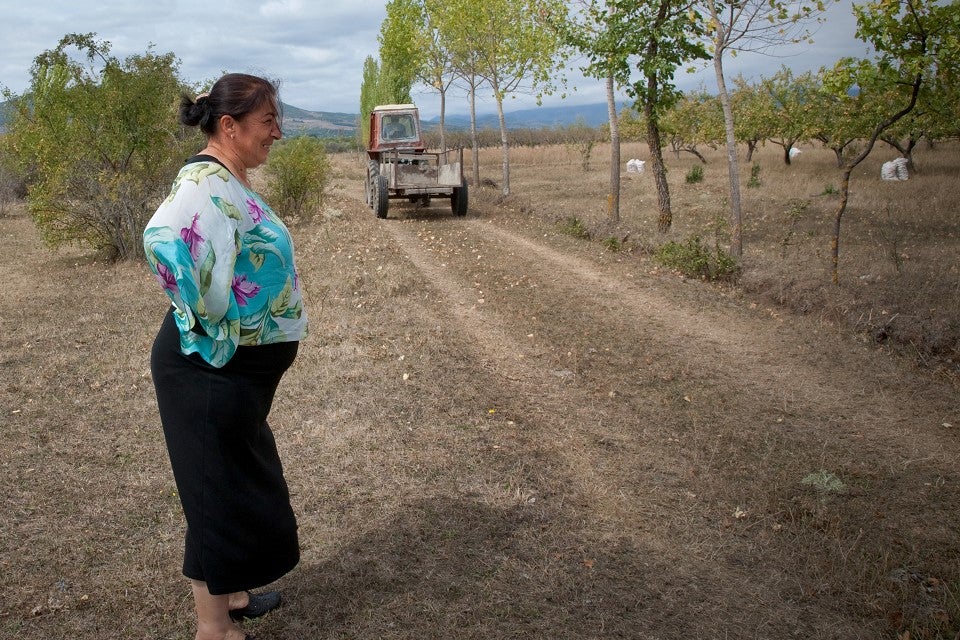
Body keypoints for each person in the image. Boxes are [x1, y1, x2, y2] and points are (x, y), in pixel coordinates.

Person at [144, 73, 308, 640]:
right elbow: (163, 239)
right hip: (205, 367)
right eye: (269, 122)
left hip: (229, 371)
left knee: (230, 478)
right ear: (229, 126)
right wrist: (211, 320)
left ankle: (232, 594)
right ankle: (213, 628)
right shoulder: (203, 183)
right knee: (214, 488)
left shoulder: (226, 179)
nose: (278, 133)